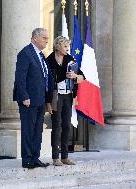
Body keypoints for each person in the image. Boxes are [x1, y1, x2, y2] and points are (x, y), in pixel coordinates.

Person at [13, 28, 53, 169]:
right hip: (29, 100)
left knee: (37, 131)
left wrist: (48, 100)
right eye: (44, 38)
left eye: (47, 38)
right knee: (28, 130)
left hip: (40, 100)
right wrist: (24, 96)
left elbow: (45, 78)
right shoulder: (25, 53)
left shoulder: (41, 55)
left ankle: (35, 158)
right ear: (34, 38)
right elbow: (20, 77)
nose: (46, 40)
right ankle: (27, 160)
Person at [46, 36, 84, 166]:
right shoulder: (49, 60)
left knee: (67, 125)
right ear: (57, 47)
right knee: (56, 126)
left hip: (68, 96)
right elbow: (47, 82)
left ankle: (65, 156)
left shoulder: (70, 60)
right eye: (65, 46)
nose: (68, 49)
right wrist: (48, 102)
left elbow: (82, 77)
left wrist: (75, 76)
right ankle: (55, 157)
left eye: (68, 46)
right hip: (56, 96)